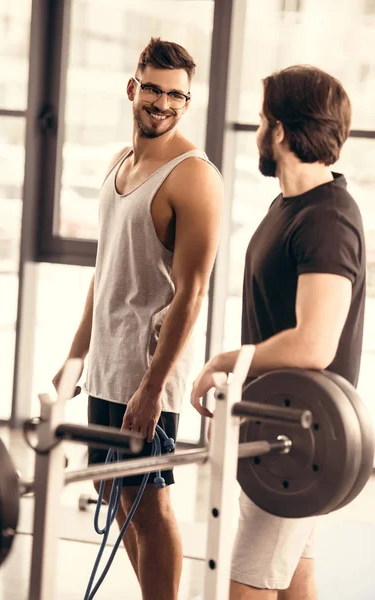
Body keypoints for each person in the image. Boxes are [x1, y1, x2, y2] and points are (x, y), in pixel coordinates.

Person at [53, 37, 223, 600]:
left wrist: (152, 388)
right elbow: (105, 274)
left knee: (149, 504)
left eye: (176, 94)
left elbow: (192, 293)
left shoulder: (194, 177)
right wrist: (76, 357)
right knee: (117, 496)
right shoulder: (119, 164)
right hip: (107, 366)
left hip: (148, 377)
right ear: (133, 88)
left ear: (187, 101)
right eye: (153, 88)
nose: (162, 103)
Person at [191, 65, 366, 600]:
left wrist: (224, 361)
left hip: (301, 437)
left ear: (283, 132)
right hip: (280, 427)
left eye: (264, 119)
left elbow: (314, 344)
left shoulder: (328, 221)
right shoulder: (292, 207)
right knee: (294, 579)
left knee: (248, 586)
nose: (259, 130)